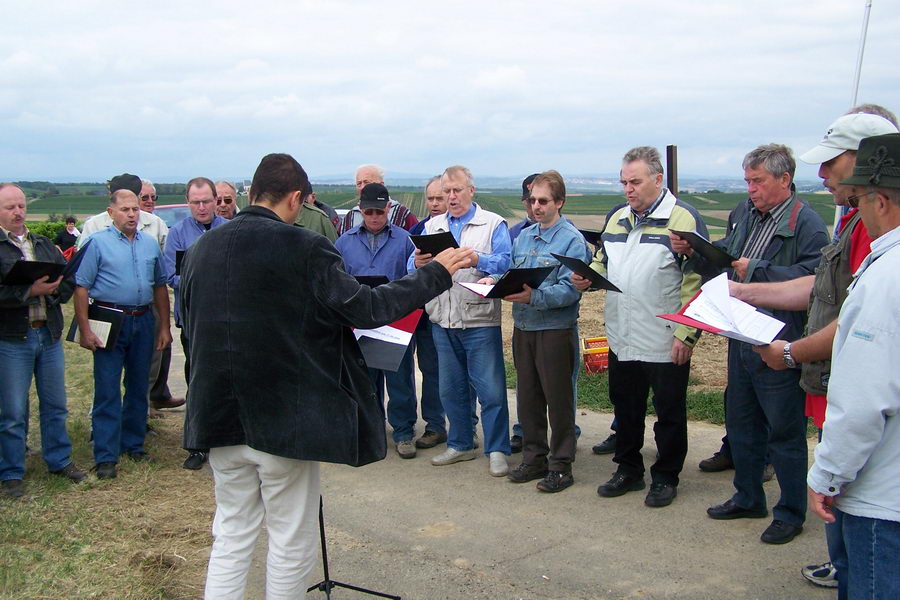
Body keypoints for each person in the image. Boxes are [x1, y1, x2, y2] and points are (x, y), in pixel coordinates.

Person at [179, 153, 473, 599]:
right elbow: (368, 309)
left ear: (252, 193)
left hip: (216, 418)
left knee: (233, 533)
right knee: (290, 538)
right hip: (281, 421)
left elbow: (191, 324)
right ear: (296, 198)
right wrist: (435, 273)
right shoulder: (304, 246)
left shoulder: (203, 248)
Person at [722, 107, 897, 587]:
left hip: (791, 344)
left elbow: (845, 316)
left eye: (832, 163)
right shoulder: (852, 222)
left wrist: (791, 348)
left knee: (787, 433)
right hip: (756, 339)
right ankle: (832, 559)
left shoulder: (831, 226)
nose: (822, 174)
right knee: (743, 421)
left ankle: (801, 521)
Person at [674, 144, 828, 543]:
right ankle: (747, 496)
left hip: (779, 338)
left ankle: (791, 512)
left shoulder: (807, 223)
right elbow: (729, 255)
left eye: (757, 181)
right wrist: (696, 251)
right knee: (741, 421)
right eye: (746, 181)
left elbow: (814, 279)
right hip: (739, 334)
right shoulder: (743, 213)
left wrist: (755, 270)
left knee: (784, 430)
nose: (750, 189)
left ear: (784, 180)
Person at [573, 147, 706, 507]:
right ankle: (628, 469)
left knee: (669, 414)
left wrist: (686, 333)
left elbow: (697, 280)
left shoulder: (682, 219)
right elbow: (602, 260)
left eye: (635, 181)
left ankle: (665, 476)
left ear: (658, 180)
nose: (627, 189)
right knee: (626, 408)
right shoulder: (617, 217)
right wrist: (588, 278)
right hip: (622, 334)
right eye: (623, 182)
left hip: (664, 336)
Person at [807, 132, 900, 599]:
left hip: (883, 495)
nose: (855, 207)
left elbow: (864, 400)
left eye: (860, 197)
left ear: (881, 200)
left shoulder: (886, 276)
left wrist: (827, 475)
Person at [409, 165, 512, 477]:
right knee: (451, 389)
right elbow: (412, 267)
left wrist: (477, 259)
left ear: (471, 190)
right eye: (447, 192)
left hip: (479, 319)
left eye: (457, 190)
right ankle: (460, 444)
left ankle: (497, 450)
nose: (451, 197)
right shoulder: (432, 226)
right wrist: (418, 261)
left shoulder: (492, 223)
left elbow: (507, 262)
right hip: (443, 317)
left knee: (491, 390)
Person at [492, 170, 589, 492]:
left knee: (558, 400)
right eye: (532, 200)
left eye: (543, 201)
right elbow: (516, 273)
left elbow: (570, 290)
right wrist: (495, 285)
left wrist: (536, 296)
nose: (536, 206)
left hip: (554, 329)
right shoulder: (524, 236)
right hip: (524, 327)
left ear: (559, 202)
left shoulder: (572, 240)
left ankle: (561, 465)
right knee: (528, 397)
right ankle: (534, 458)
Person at [74, 189, 173, 480]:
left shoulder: (150, 245)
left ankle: (133, 444)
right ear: (111, 212)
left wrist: (164, 327)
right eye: (125, 209)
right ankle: (105, 455)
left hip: (143, 320)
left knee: (139, 383)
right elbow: (81, 287)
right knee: (107, 386)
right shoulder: (96, 243)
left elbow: (159, 287)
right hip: (109, 318)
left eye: (135, 210)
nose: (132, 214)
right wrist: (85, 328)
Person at [0, 183, 86, 500]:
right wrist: (27, 292)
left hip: (46, 333)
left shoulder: (42, 243)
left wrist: (54, 290)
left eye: (21, 205)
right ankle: (10, 473)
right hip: (12, 338)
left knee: (55, 404)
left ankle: (59, 460)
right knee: (11, 410)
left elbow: (65, 281)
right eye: (10, 207)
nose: (18, 212)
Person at [334, 183, 421, 458]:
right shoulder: (344, 242)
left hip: (397, 321)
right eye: (368, 212)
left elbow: (415, 279)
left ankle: (404, 432)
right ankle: (370, 428)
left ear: (388, 209)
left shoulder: (406, 240)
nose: (374, 217)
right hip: (360, 321)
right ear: (360, 210)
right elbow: (338, 279)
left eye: (379, 212)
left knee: (400, 380)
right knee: (365, 380)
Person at [164, 177, 229, 470]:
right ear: (188, 202)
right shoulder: (177, 234)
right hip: (193, 321)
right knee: (198, 380)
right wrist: (202, 279)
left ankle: (228, 438)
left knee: (228, 380)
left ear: (217, 201)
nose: (201, 207)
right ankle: (197, 444)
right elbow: (170, 275)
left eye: (206, 201)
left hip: (227, 319)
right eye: (195, 202)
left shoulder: (230, 230)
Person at [337, 165, 418, 234]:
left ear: (381, 185)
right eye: (359, 183)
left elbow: (415, 245)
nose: (362, 187)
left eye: (366, 182)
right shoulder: (350, 217)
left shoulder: (402, 215)